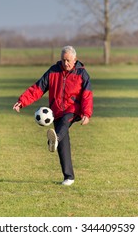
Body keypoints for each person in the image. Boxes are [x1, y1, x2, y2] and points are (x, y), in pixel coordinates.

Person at [13, 46, 93, 186]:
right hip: (56, 111)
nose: (65, 63)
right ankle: (69, 177)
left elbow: (87, 95)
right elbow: (38, 88)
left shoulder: (82, 74)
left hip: (73, 109)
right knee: (62, 143)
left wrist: (86, 113)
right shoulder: (53, 71)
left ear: (75, 59)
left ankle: (55, 138)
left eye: (68, 60)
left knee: (62, 126)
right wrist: (21, 102)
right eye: (63, 60)